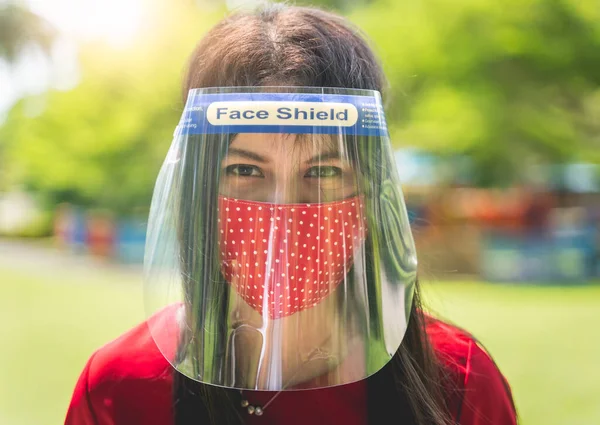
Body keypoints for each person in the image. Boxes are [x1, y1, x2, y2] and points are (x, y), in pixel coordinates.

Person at [65, 4, 518, 425]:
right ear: (199, 189)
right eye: (245, 169)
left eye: (323, 171)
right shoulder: (120, 387)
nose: (283, 210)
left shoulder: (457, 379)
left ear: (370, 190)